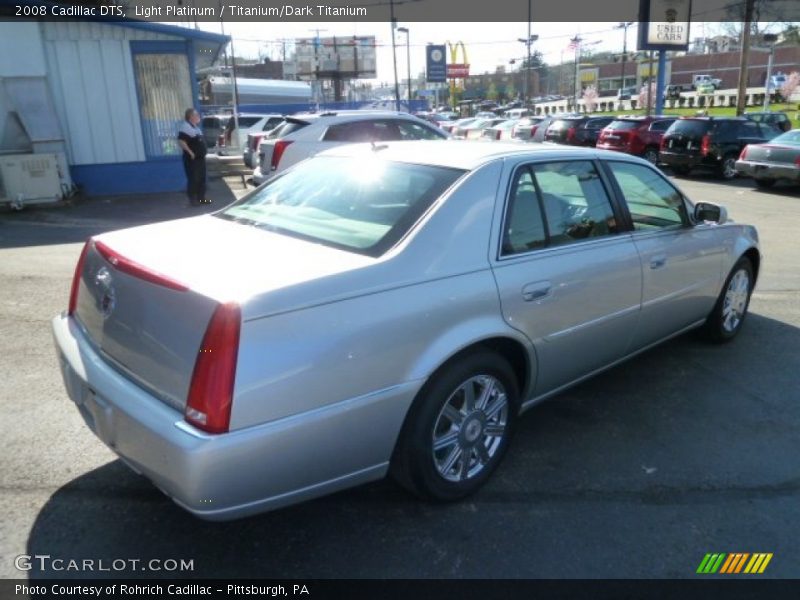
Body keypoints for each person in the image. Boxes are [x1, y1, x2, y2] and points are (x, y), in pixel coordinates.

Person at [177, 108, 209, 206]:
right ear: (191, 117)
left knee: (201, 179)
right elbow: (181, 141)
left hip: (200, 159)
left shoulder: (196, 128)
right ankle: (193, 200)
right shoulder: (186, 127)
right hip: (192, 159)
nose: (198, 117)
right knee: (194, 179)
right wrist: (190, 152)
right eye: (196, 115)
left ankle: (201, 199)